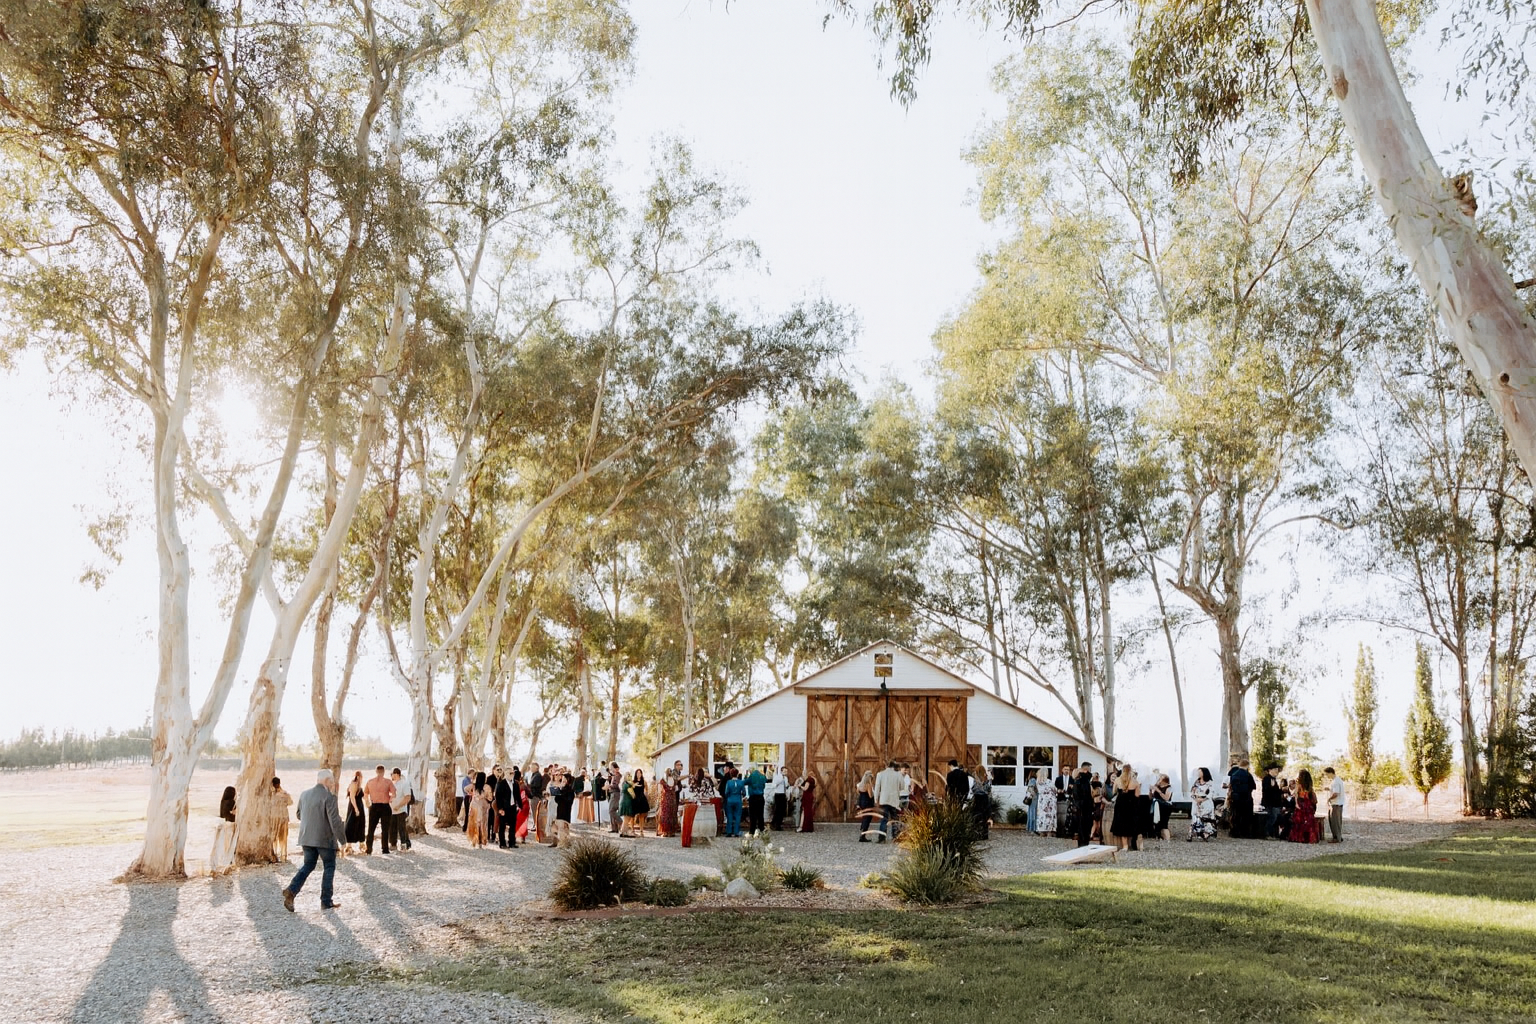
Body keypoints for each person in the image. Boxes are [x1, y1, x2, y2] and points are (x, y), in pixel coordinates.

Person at [282, 770, 348, 912]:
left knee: (308, 865)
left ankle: (292, 890)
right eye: (332, 781)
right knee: (329, 866)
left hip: (306, 837)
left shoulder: (304, 794)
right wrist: (343, 841)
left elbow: (299, 815)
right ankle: (326, 901)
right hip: (324, 838)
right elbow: (335, 821)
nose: (333, 784)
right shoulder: (329, 797)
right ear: (327, 781)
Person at [363, 764, 395, 855]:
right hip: (385, 805)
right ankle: (385, 849)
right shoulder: (388, 782)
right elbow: (393, 793)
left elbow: (365, 794)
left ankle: (369, 849)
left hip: (374, 806)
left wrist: (367, 803)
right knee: (385, 829)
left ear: (376, 771)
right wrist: (390, 799)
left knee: (371, 828)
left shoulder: (370, 782)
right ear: (383, 772)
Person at [1111, 766, 1144, 851]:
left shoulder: (1117, 780)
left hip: (1120, 805)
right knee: (1133, 823)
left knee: (1122, 824)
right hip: (1132, 805)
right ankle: (1137, 844)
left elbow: (1113, 792)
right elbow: (1137, 795)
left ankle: (1125, 846)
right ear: (1130, 771)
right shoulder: (1135, 782)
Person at [1289, 770, 1322, 844]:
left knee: (1299, 821)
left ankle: (1299, 838)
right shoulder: (1309, 785)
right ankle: (1309, 838)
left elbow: (1296, 794)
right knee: (1309, 821)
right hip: (1308, 804)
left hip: (1301, 803)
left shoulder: (1299, 784)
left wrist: (1296, 803)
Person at [874, 760, 905, 839]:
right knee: (895, 819)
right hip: (894, 800)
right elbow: (902, 787)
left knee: (884, 819)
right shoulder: (898, 775)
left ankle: (882, 837)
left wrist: (876, 799)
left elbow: (877, 788)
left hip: (884, 800)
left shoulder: (880, 774)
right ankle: (895, 836)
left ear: (887, 766)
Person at [1227, 758, 1257, 839]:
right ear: (1247, 765)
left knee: (1236, 815)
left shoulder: (1234, 774)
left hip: (1236, 797)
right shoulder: (1248, 775)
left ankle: (1235, 832)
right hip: (1246, 797)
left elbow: (1231, 785)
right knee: (1246, 815)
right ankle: (1245, 832)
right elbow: (1253, 786)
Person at [210, 785, 237, 873]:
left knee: (222, 846)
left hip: (223, 825)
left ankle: (219, 864)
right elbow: (234, 814)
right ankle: (229, 863)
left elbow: (223, 815)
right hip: (231, 825)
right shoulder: (232, 802)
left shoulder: (223, 802)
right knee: (230, 845)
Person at [1188, 767, 1217, 842]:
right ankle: (1192, 833)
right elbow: (1192, 791)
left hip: (1206, 802)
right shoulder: (1196, 782)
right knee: (1195, 817)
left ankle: (1206, 833)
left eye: (1200, 772)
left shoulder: (1209, 783)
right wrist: (1195, 798)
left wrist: (1203, 799)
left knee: (1205, 818)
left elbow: (1211, 793)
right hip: (1196, 802)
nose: (1198, 773)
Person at [388, 768, 413, 852]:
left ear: (396, 774)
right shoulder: (392, 784)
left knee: (401, 827)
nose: (391, 776)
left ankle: (404, 844)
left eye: (392, 774)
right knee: (392, 827)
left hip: (401, 810)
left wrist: (399, 806)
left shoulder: (404, 783)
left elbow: (408, 797)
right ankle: (393, 844)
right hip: (392, 810)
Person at [1072, 762, 1096, 847]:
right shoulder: (1082, 781)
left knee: (1085, 827)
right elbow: (1080, 795)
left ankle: (1084, 843)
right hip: (1083, 807)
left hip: (1084, 806)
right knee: (1083, 827)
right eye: (1090, 769)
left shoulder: (1085, 780)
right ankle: (1083, 844)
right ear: (1086, 770)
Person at [550, 768, 575, 847]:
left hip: (565, 810)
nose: (563, 780)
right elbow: (557, 800)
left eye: (564, 779)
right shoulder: (562, 789)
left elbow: (568, 800)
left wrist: (560, 794)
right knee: (560, 826)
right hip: (560, 809)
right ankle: (564, 843)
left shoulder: (570, 790)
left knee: (563, 827)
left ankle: (563, 843)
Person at [494, 766, 518, 848]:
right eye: (510, 773)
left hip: (513, 807)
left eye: (513, 773)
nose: (512, 774)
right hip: (504, 807)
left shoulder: (515, 783)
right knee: (502, 826)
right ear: (506, 774)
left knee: (513, 825)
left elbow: (517, 795)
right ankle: (502, 843)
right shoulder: (501, 783)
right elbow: (498, 797)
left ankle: (512, 842)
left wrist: (519, 805)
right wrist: (500, 808)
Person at [272, 777, 294, 860]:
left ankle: (275, 853)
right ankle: (283, 854)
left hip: (274, 816)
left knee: (274, 836)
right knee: (283, 836)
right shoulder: (285, 794)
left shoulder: (271, 795)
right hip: (283, 816)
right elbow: (290, 802)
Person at [467, 771, 490, 848]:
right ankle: (480, 841)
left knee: (473, 823)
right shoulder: (486, 787)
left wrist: (471, 793)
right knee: (482, 824)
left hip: (474, 805)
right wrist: (485, 797)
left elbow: (465, 788)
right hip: (482, 806)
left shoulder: (473, 786)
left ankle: (473, 840)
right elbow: (490, 797)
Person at [1261, 764, 1285, 838]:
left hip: (1275, 803)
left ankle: (1272, 834)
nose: (1276, 771)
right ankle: (1266, 834)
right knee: (1271, 818)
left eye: (1277, 770)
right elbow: (1267, 791)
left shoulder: (1273, 779)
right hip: (1269, 803)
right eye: (1275, 769)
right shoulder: (1266, 779)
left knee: (1274, 818)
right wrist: (1272, 787)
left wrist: (1281, 790)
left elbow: (1276, 792)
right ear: (1270, 770)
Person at [344, 772, 366, 853]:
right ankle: (349, 846)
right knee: (351, 824)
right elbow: (352, 797)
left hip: (360, 806)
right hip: (354, 806)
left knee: (361, 824)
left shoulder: (359, 785)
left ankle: (361, 844)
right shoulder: (354, 784)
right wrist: (356, 809)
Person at [1033, 768, 1057, 838]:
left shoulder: (1038, 782)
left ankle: (1042, 831)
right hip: (1050, 800)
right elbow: (1054, 790)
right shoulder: (1049, 781)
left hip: (1042, 800)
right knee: (1049, 816)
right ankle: (1049, 831)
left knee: (1041, 815)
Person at [1323, 767, 1346, 842]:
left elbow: (1336, 793)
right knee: (1337, 821)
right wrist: (1329, 789)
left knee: (1334, 822)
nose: (1326, 776)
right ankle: (1338, 836)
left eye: (1327, 774)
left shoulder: (1336, 781)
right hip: (1338, 804)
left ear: (1330, 773)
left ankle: (1336, 838)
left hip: (1336, 804)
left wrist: (1329, 799)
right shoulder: (1337, 780)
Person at [721, 768, 746, 838]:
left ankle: (729, 831)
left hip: (730, 800)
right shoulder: (741, 782)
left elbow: (726, 792)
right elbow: (744, 792)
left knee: (729, 816)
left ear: (731, 774)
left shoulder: (729, 782)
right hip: (738, 800)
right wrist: (741, 795)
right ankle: (736, 832)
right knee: (738, 816)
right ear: (737, 774)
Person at [744, 763, 769, 835]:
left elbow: (745, 782)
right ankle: (761, 828)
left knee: (752, 815)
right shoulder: (762, 776)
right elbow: (765, 782)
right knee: (760, 814)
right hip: (761, 797)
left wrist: (746, 775)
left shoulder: (751, 776)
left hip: (753, 797)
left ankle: (752, 830)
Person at [1149, 773, 1174, 841]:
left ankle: (1166, 837)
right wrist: (1151, 791)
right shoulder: (1157, 786)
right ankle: (1158, 835)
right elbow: (1151, 797)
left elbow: (1166, 798)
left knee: (1164, 822)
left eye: (1160, 779)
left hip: (1165, 806)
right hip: (1157, 806)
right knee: (1156, 822)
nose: (1158, 780)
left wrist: (1158, 791)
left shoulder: (1169, 788)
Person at [970, 766, 993, 839]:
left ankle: (976, 833)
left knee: (976, 816)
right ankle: (984, 834)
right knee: (984, 815)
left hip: (977, 798)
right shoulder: (986, 780)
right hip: (984, 798)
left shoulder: (975, 780)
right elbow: (989, 789)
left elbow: (973, 788)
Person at [658, 768, 681, 838]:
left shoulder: (673, 780)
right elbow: (660, 790)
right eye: (669, 771)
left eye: (670, 771)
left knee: (671, 814)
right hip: (666, 799)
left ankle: (670, 831)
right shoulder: (663, 780)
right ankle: (666, 831)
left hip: (671, 799)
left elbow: (676, 789)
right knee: (666, 814)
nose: (670, 772)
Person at [628, 769, 651, 837]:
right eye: (637, 773)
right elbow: (630, 790)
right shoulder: (633, 781)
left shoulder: (644, 781)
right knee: (632, 816)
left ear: (641, 774)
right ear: (636, 774)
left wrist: (646, 796)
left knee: (642, 816)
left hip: (641, 799)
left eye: (640, 773)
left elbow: (646, 790)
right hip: (634, 799)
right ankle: (632, 830)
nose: (639, 774)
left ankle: (641, 831)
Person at [770, 765, 790, 830]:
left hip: (783, 794)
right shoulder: (777, 777)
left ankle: (779, 823)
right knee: (777, 810)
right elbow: (773, 785)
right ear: (781, 771)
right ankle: (774, 824)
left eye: (786, 771)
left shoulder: (786, 778)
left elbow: (786, 786)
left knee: (782, 810)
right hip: (778, 794)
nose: (786, 772)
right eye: (784, 771)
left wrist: (787, 786)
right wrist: (779, 782)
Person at [606, 763, 624, 835]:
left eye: (611, 768)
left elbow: (617, 785)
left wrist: (609, 786)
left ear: (616, 768)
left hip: (616, 794)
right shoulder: (614, 775)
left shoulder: (618, 776)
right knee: (611, 810)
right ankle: (614, 828)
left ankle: (622, 823)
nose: (611, 769)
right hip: (612, 794)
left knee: (611, 810)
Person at [457, 764, 472, 831]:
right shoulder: (466, 780)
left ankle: (466, 826)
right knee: (467, 813)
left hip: (467, 797)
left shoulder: (469, 780)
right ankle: (465, 827)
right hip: (467, 797)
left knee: (467, 813)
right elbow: (465, 789)